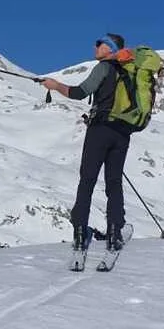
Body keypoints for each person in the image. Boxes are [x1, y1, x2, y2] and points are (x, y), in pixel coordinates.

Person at [40, 33, 133, 252]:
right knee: (114, 183)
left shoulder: (104, 67)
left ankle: (80, 234)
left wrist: (55, 85)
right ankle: (114, 234)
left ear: (108, 48)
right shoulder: (129, 72)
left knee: (87, 181)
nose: (95, 46)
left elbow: (80, 93)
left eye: (99, 44)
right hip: (122, 132)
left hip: (100, 130)